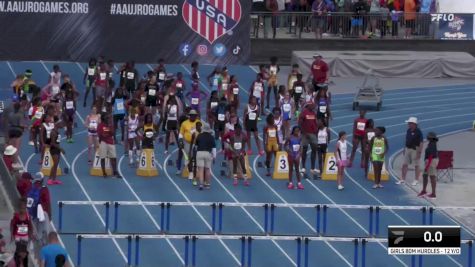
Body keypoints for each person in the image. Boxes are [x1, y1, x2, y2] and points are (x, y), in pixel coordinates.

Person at [26, 172, 51, 246]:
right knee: (45, 232)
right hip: (42, 214)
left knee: (34, 232)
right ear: (42, 180)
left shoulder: (30, 188)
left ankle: (32, 246)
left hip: (31, 214)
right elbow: (47, 203)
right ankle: (44, 247)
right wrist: (49, 216)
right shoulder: (44, 189)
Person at [398, 117, 423, 186]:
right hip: (408, 148)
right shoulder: (408, 130)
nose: (408, 124)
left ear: (414, 124)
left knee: (416, 165)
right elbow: (406, 139)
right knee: (404, 164)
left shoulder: (418, 132)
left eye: (409, 123)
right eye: (408, 123)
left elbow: (421, 142)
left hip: (415, 149)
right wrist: (404, 148)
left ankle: (416, 180)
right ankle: (402, 179)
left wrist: (419, 152)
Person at [178, 109, 201, 180]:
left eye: (195, 116)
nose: (193, 117)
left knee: (197, 157)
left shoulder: (198, 122)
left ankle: (198, 172)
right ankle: (190, 173)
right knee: (189, 157)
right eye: (192, 116)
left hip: (197, 142)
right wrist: (181, 141)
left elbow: (202, 131)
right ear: (189, 116)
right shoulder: (184, 123)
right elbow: (181, 134)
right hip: (187, 142)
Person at [97, 114, 121, 178]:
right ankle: (104, 172)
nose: (108, 119)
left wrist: (108, 130)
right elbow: (101, 135)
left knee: (114, 157)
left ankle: (115, 171)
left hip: (110, 142)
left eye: (108, 118)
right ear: (103, 118)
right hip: (103, 142)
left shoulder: (110, 125)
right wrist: (108, 132)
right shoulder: (100, 125)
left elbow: (113, 133)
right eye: (106, 118)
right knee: (103, 158)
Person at [298, 103, 318, 176]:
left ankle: (312, 168)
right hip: (305, 134)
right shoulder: (303, 113)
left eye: (314, 105)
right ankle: (303, 167)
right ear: (308, 106)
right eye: (312, 105)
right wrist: (304, 132)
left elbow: (315, 123)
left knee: (314, 150)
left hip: (313, 134)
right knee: (305, 150)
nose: (314, 106)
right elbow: (299, 123)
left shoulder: (314, 113)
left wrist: (316, 131)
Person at [194, 124, 216, 190]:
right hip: (208, 153)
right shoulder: (211, 137)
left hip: (200, 153)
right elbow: (214, 148)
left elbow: (196, 146)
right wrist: (214, 157)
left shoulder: (199, 135)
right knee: (207, 169)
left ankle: (201, 184)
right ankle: (208, 184)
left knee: (201, 170)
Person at [418, 132, 439, 199]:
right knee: (424, 175)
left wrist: (427, 166)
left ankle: (433, 193)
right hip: (429, 161)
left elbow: (431, 156)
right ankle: (424, 190)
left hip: (431, 161)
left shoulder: (432, 145)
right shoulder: (431, 144)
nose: (427, 137)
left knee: (432, 176)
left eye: (428, 136)